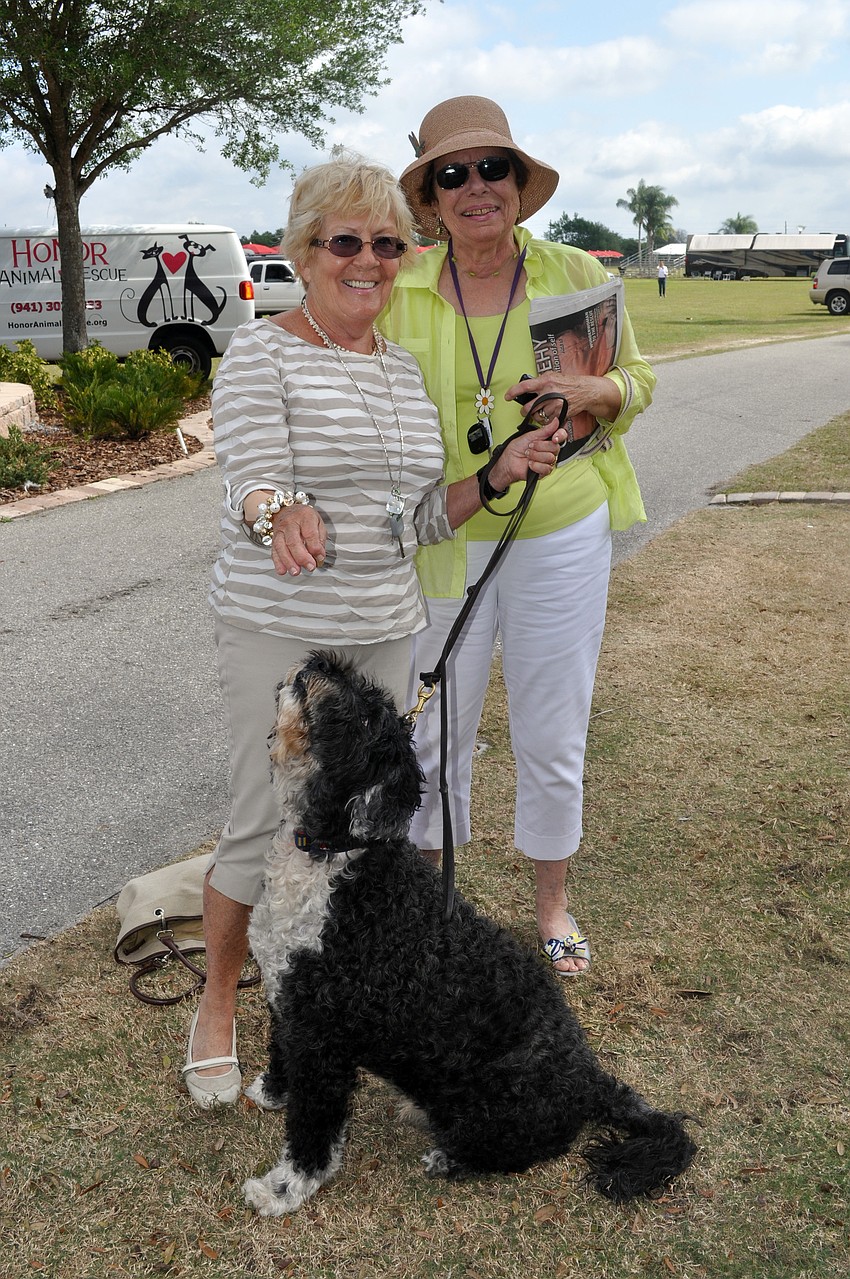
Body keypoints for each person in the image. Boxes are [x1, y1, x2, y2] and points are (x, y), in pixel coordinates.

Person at [184, 152, 567, 1107]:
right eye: (345, 242)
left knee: (362, 831)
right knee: (265, 822)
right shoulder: (259, 353)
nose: (369, 261)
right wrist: (283, 514)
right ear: (305, 253)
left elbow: (415, 519)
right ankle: (219, 1005)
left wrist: (500, 471)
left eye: (387, 244)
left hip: (386, 630)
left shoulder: (398, 371)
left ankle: (332, 1004)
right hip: (281, 630)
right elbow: (249, 476)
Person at [381, 97, 656, 976]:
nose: (475, 188)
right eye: (451, 174)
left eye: (491, 167)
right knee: (430, 732)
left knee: (551, 725)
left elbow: (638, 375)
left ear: (517, 179)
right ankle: (429, 912)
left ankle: (552, 905)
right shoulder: (400, 291)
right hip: (443, 534)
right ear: (429, 195)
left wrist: (600, 394)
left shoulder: (575, 270)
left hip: (561, 531)